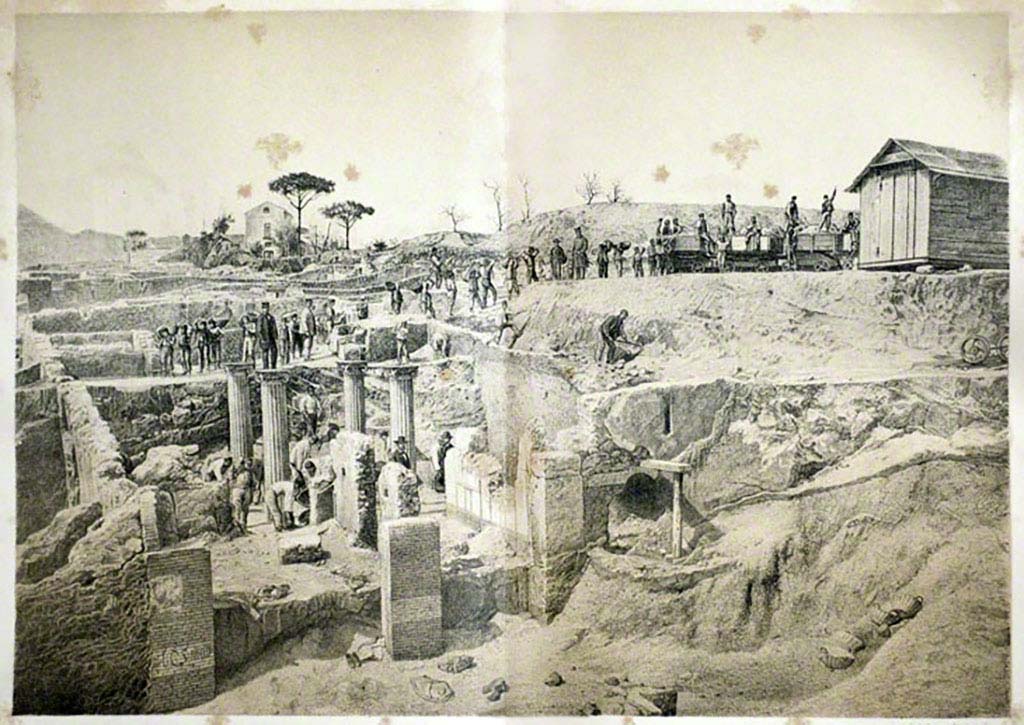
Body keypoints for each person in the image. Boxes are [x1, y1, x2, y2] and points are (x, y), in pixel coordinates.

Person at [228, 458, 255, 536]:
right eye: (240, 463)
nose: (242, 464)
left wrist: (252, 489)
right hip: (237, 489)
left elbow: (253, 482)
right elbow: (230, 479)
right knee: (237, 508)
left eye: (243, 463)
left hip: (247, 489)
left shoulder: (248, 472)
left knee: (245, 508)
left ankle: (244, 524)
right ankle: (237, 524)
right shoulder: (234, 471)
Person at [256, 301, 278, 370]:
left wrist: (276, 336)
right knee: (265, 353)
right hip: (264, 338)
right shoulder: (260, 318)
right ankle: (266, 368)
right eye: (265, 308)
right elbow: (259, 329)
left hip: (271, 338)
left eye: (267, 308)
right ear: (262, 309)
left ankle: (273, 366)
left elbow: (274, 327)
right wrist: (262, 338)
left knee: (274, 351)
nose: (266, 310)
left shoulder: (271, 317)